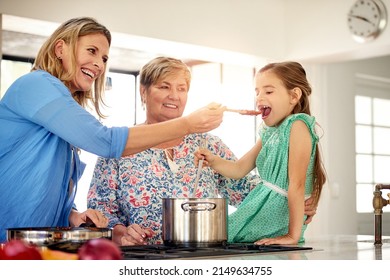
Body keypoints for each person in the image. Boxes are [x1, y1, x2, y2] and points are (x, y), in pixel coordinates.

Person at [0, 18, 225, 243]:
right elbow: (106, 142)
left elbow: (47, 186)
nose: (99, 64)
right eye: (91, 51)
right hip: (8, 237)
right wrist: (188, 124)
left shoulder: (59, 110)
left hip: (37, 243)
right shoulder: (36, 85)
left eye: (104, 58)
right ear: (60, 49)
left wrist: (74, 215)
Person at [87, 57, 318, 246]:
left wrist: (294, 198)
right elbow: (100, 211)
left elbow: (247, 190)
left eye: (181, 88)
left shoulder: (210, 145)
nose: (174, 96)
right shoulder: (119, 146)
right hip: (141, 257)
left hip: (200, 257)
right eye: (164, 86)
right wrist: (122, 233)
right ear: (143, 91)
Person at [195, 61, 326, 245]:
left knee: (214, 237)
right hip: (261, 205)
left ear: (294, 96)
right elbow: (239, 169)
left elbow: (297, 184)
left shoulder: (298, 125)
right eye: (257, 92)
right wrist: (213, 160)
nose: (259, 97)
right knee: (210, 237)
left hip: (278, 214)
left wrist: (292, 236)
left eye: (269, 91)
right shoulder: (268, 131)